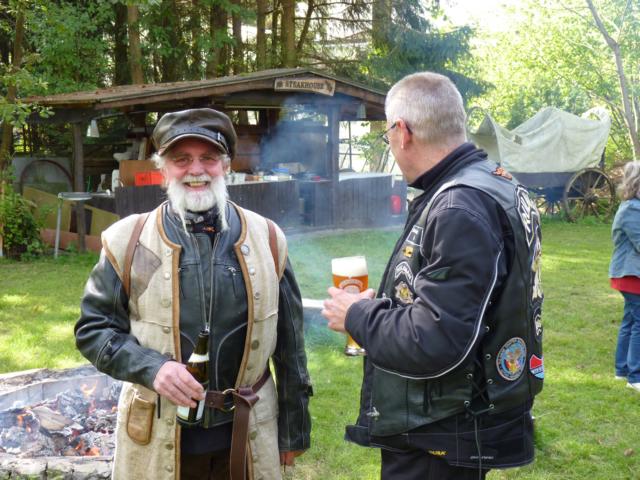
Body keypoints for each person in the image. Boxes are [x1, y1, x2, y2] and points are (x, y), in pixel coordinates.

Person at [322, 72, 544, 479]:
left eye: (387, 135)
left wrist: (357, 315)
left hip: (441, 431)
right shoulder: (496, 182)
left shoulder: (459, 205)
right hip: (461, 420)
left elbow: (435, 339)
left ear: (402, 131)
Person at [75, 108, 312, 480]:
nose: (196, 170)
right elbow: (94, 330)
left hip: (247, 436)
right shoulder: (130, 241)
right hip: (158, 439)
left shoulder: (267, 238)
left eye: (208, 158)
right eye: (181, 159)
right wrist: (153, 368)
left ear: (226, 165)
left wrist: (294, 430)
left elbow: (290, 346)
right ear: (163, 168)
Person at [609, 161, 640, 393]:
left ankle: (622, 370)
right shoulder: (632, 209)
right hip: (631, 274)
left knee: (631, 320)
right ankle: (635, 376)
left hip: (631, 273)